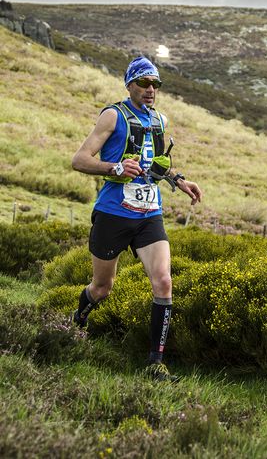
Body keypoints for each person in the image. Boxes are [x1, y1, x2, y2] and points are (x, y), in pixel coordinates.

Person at [71, 56, 202, 381]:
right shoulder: (113, 116)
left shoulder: (158, 120)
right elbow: (79, 160)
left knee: (163, 281)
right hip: (113, 214)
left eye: (155, 84)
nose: (150, 89)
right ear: (130, 84)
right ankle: (78, 320)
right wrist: (114, 167)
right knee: (102, 288)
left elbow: (154, 165)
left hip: (149, 215)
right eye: (143, 83)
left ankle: (155, 364)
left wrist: (179, 179)